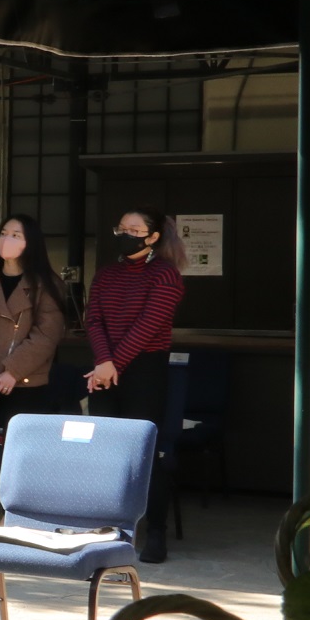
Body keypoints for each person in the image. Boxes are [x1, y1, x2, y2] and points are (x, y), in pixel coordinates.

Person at [85, 207, 184, 563]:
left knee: (144, 454)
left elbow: (148, 325)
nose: (125, 234)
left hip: (145, 371)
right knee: (105, 453)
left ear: (153, 237)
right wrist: (103, 362)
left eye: (134, 229)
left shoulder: (166, 274)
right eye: (121, 228)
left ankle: (155, 531)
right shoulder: (106, 274)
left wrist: (112, 364)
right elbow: (93, 319)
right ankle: (107, 527)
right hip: (104, 369)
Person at [0, 214, 70, 526]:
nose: (6, 240)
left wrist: (12, 371)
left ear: (30, 243)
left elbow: (47, 335)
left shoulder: (47, 284)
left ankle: (16, 516)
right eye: (4, 233)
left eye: (16, 235)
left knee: (20, 453)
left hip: (25, 381)